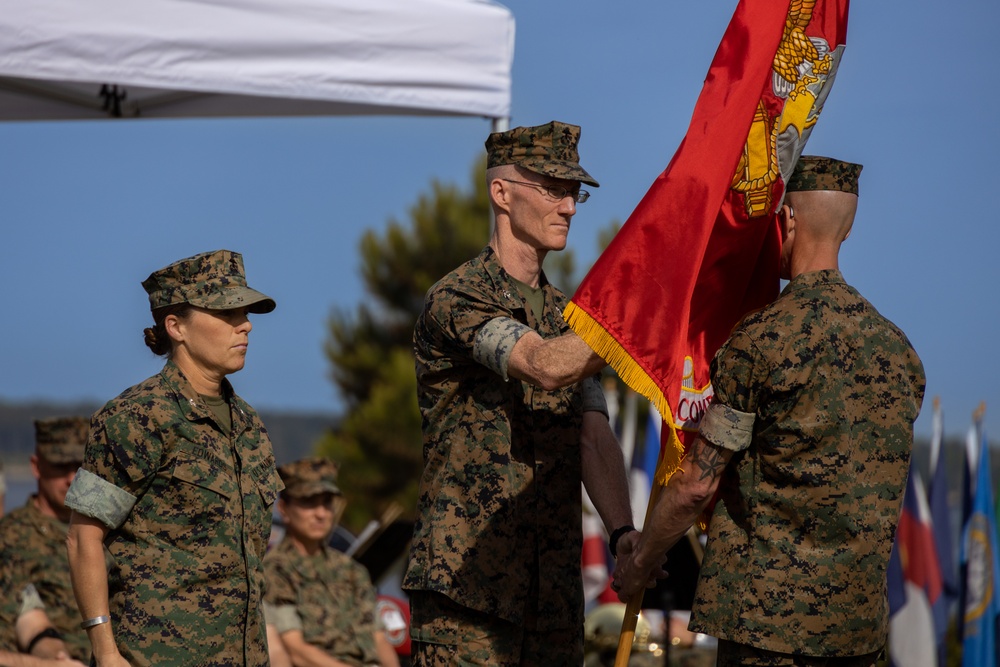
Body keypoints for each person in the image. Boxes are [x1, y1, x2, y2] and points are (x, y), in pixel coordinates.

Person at [612, 157, 926, 666]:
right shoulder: (900, 353)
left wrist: (642, 559)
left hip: (767, 634)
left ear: (789, 221)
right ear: (848, 228)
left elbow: (697, 483)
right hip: (858, 636)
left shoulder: (761, 342)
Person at [404, 120, 636, 666]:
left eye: (573, 192)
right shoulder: (459, 297)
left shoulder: (567, 317)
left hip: (552, 595)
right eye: (552, 189)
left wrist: (623, 530)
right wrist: (636, 325)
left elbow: (592, 434)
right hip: (468, 597)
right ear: (501, 193)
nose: (570, 208)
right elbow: (543, 365)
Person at [63, 249, 284, 667]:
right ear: (176, 326)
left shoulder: (248, 424)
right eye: (228, 314)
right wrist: (105, 652)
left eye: (246, 313)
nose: (246, 325)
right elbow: (82, 538)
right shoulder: (136, 417)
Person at [264, 457, 400, 667]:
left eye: (327, 503)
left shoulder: (351, 570)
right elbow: (295, 648)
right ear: (283, 509)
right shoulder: (274, 570)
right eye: (309, 502)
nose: (321, 514)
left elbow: (379, 639)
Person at [0, 418, 89, 659]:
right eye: (61, 467)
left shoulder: (102, 533)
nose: (72, 478)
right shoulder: (11, 537)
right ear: (36, 467)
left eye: (80, 467)